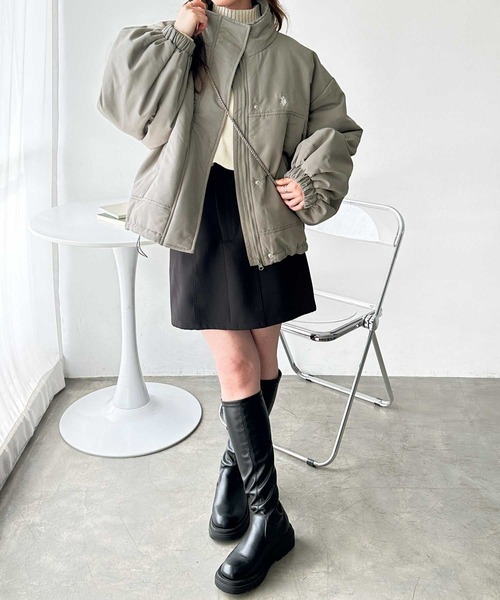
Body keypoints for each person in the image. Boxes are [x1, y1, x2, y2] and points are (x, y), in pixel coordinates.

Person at [97, 0, 362, 593]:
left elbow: (338, 129)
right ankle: (271, 518)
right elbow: (129, 107)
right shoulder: (178, 40)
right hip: (201, 212)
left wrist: (310, 179)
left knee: (264, 360)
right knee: (237, 365)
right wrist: (176, 36)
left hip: (265, 217)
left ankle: (234, 468)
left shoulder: (297, 59)